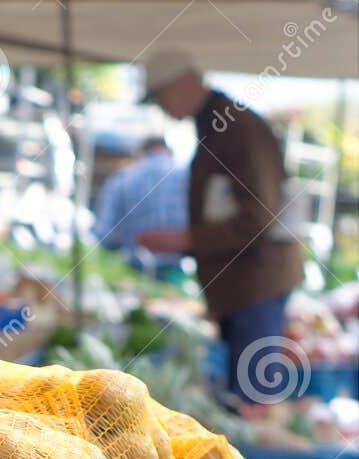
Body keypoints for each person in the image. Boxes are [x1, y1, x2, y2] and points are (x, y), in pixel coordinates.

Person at [137, 48, 304, 401]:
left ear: (183, 84)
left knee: (252, 403)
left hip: (255, 285)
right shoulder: (217, 126)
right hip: (243, 288)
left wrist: (184, 240)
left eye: (160, 96)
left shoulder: (237, 128)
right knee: (245, 400)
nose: (161, 107)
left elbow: (259, 216)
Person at [94, 137, 188, 267]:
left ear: (140, 153)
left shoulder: (120, 180)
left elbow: (106, 236)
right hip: (179, 270)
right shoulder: (186, 175)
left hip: (135, 271)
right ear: (169, 151)